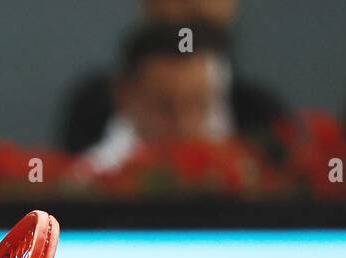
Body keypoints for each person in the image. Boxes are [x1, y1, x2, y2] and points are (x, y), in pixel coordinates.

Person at [57, 4, 289, 161]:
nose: (182, 124)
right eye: (164, 107)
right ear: (124, 97)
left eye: (196, 104)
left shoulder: (262, 117)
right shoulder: (90, 117)